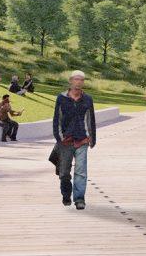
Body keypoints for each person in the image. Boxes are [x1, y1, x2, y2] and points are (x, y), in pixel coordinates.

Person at [52, 70, 96, 210]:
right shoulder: (61, 98)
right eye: (76, 79)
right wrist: (60, 138)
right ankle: (66, 194)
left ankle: (79, 199)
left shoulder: (88, 99)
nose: (79, 82)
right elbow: (56, 120)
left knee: (81, 172)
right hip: (66, 141)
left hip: (82, 140)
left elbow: (91, 120)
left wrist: (91, 138)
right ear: (71, 81)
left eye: (81, 80)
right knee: (64, 173)